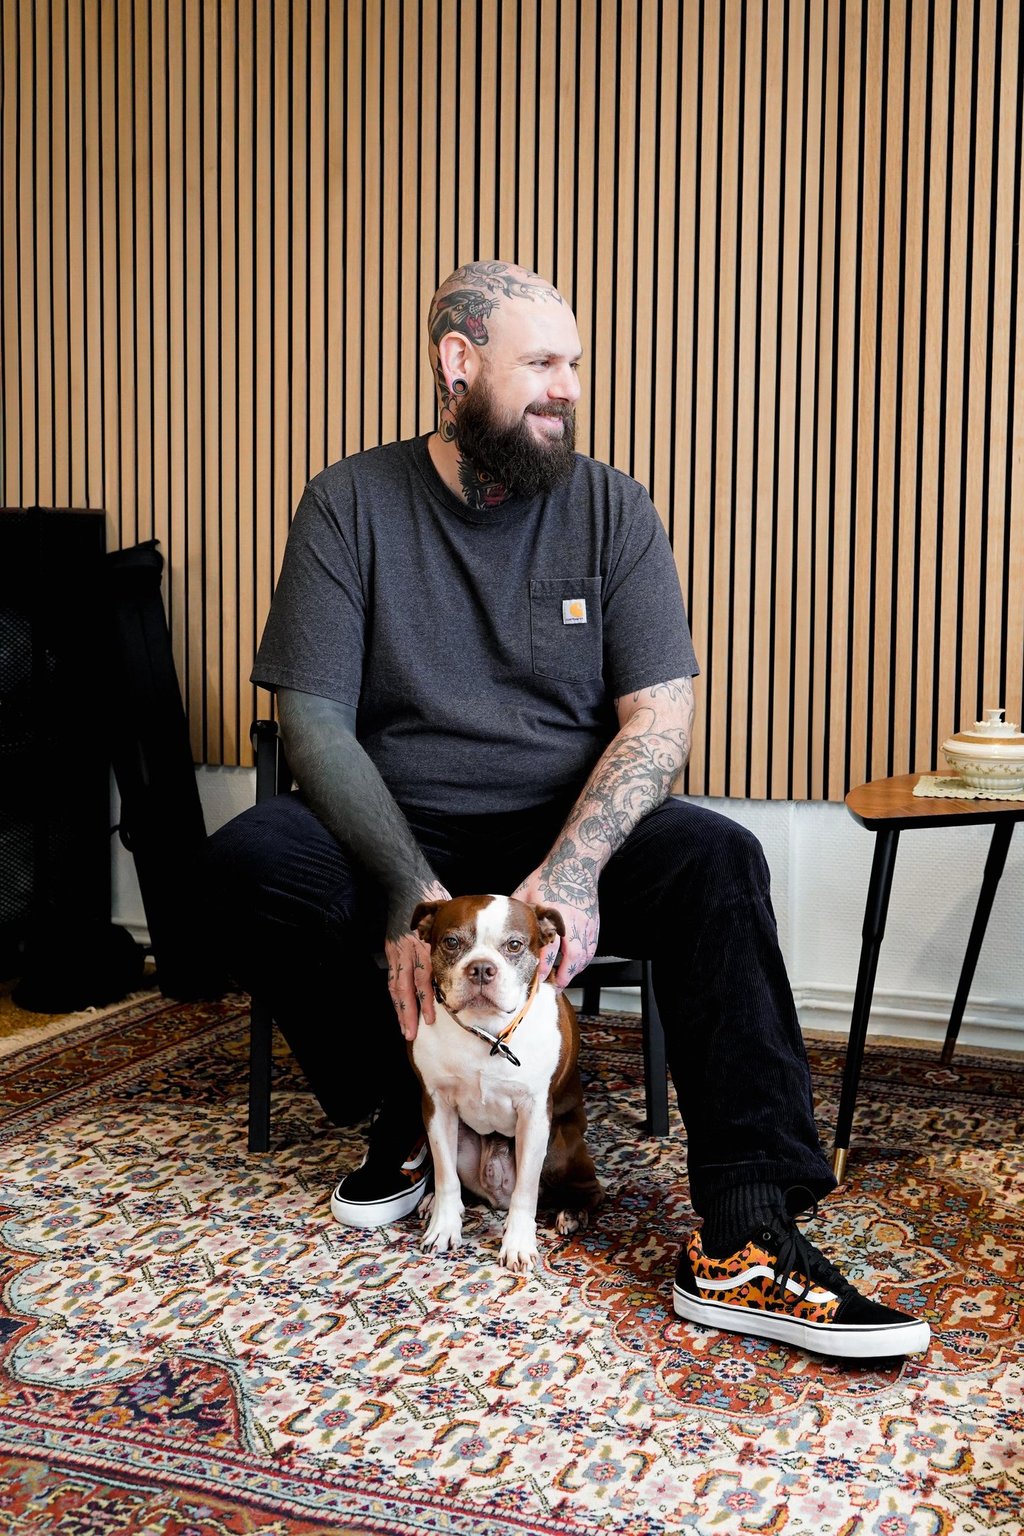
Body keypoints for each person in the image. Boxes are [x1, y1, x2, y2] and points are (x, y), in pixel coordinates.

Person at [208, 260, 929, 1360]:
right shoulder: (349, 502)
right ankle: (407, 1111)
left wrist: (579, 864)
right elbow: (311, 722)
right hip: (402, 826)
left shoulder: (611, 507)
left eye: (575, 365)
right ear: (458, 363)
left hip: (560, 829)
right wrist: (409, 894)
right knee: (250, 860)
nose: (569, 389)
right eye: (542, 363)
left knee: (719, 860)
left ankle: (745, 1235)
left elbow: (660, 717)